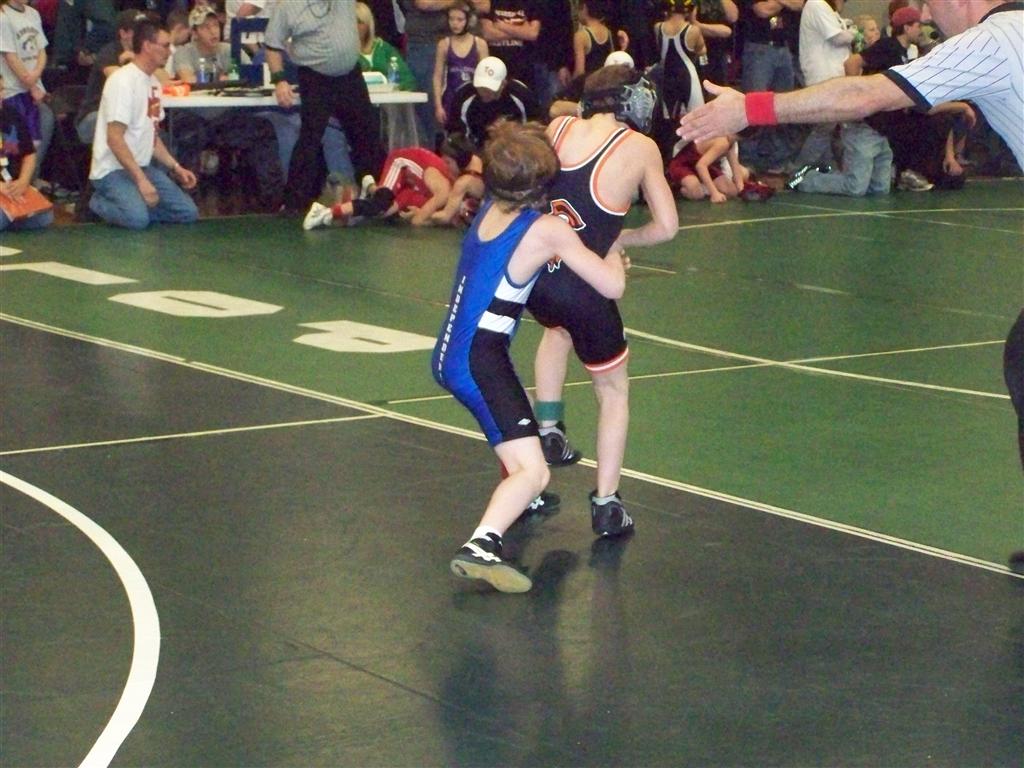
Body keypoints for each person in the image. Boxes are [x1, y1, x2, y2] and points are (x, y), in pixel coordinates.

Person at [432, 120, 629, 592]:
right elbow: (611, 286)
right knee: (534, 471)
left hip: (454, 352)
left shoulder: (488, 209)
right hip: (479, 361)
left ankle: (513, 505)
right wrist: (614, 250)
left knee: (522, 451)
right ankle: (480, 545)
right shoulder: (546, 230)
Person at [525, 64, 678, 538]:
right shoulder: (641, 148)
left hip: (537, 279)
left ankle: (549, 427)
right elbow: (667, 227)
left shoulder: (558, 128)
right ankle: (607, 503)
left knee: (556, 330)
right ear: (631, 101)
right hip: (586, 288)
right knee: (612, 392)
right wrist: (620, 239)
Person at [677, 0, 1023, 176]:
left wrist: (749, 109)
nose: (928, 17)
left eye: (930, 4)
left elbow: (865, 95)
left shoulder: (989, 41)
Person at [265, 1, 385, 214]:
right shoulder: (288, 6)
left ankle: (380, 197)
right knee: (310, 139)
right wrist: (279, 80)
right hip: (315, 76)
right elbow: (273, 46)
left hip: (350, 75)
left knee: (367, 135)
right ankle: (294, 203)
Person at [86, 18, 199, 229]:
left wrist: (176, 167)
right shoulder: (122, 81)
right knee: (137, 220)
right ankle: (97, 202)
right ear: (147, 46)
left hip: (141, 166)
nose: (170, 51)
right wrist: (141, 181)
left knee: (187, 213)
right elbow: (114, 138)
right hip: (112, 170)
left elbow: (152, 136)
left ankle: (135, 205)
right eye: (165, 45)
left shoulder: (154, 84)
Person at [303, 139, 471, 229]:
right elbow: (418, 221)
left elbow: (419, 217)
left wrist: (423, 215)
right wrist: (424, 215)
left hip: (413, 182)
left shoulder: (444, 189)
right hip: (401, 163)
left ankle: (370, 187)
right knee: (381, 204)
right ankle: (324, 212)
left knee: (384, 212)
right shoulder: (443, 190)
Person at [446, 56, 539, 149]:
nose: (484, 92)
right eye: (480, 87)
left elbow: (536, 125)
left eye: (489, 88)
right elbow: (455, 134)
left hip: (516, 148)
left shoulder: (520, 94)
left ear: (503, 84)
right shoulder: (464, 96)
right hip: (477, 150)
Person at [1, 73, 52, 231]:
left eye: (1, 90)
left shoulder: (12, 114)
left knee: (44, 217)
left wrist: (23, 182)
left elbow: (29, 154)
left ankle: (11, 214)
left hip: (12, 185)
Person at [432, 2, 488, 131]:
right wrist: (438, 106)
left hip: (474, 99)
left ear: (470, 21)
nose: (455, 24)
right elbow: (437, 77)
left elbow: (485, 77)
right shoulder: (444, 44)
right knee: (453, 135)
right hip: (450, 99)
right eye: (451, 19)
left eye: (459, 20)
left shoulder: (480, 44)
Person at [355, 1, 416, 90]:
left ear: (368, 25)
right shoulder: (344, 55)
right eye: (352, 22)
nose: (355, 26)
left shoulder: (384, 48)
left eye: (360, 22)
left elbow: (408, 80)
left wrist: (394, 88)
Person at [173, 4, 231, 84]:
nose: (213, 31)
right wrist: (220, 78)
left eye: (216, 25)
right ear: (194, 33)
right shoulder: (184, 52)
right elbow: (188, 80)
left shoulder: (229, 50)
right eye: (206, 27)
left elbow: (247, 73)